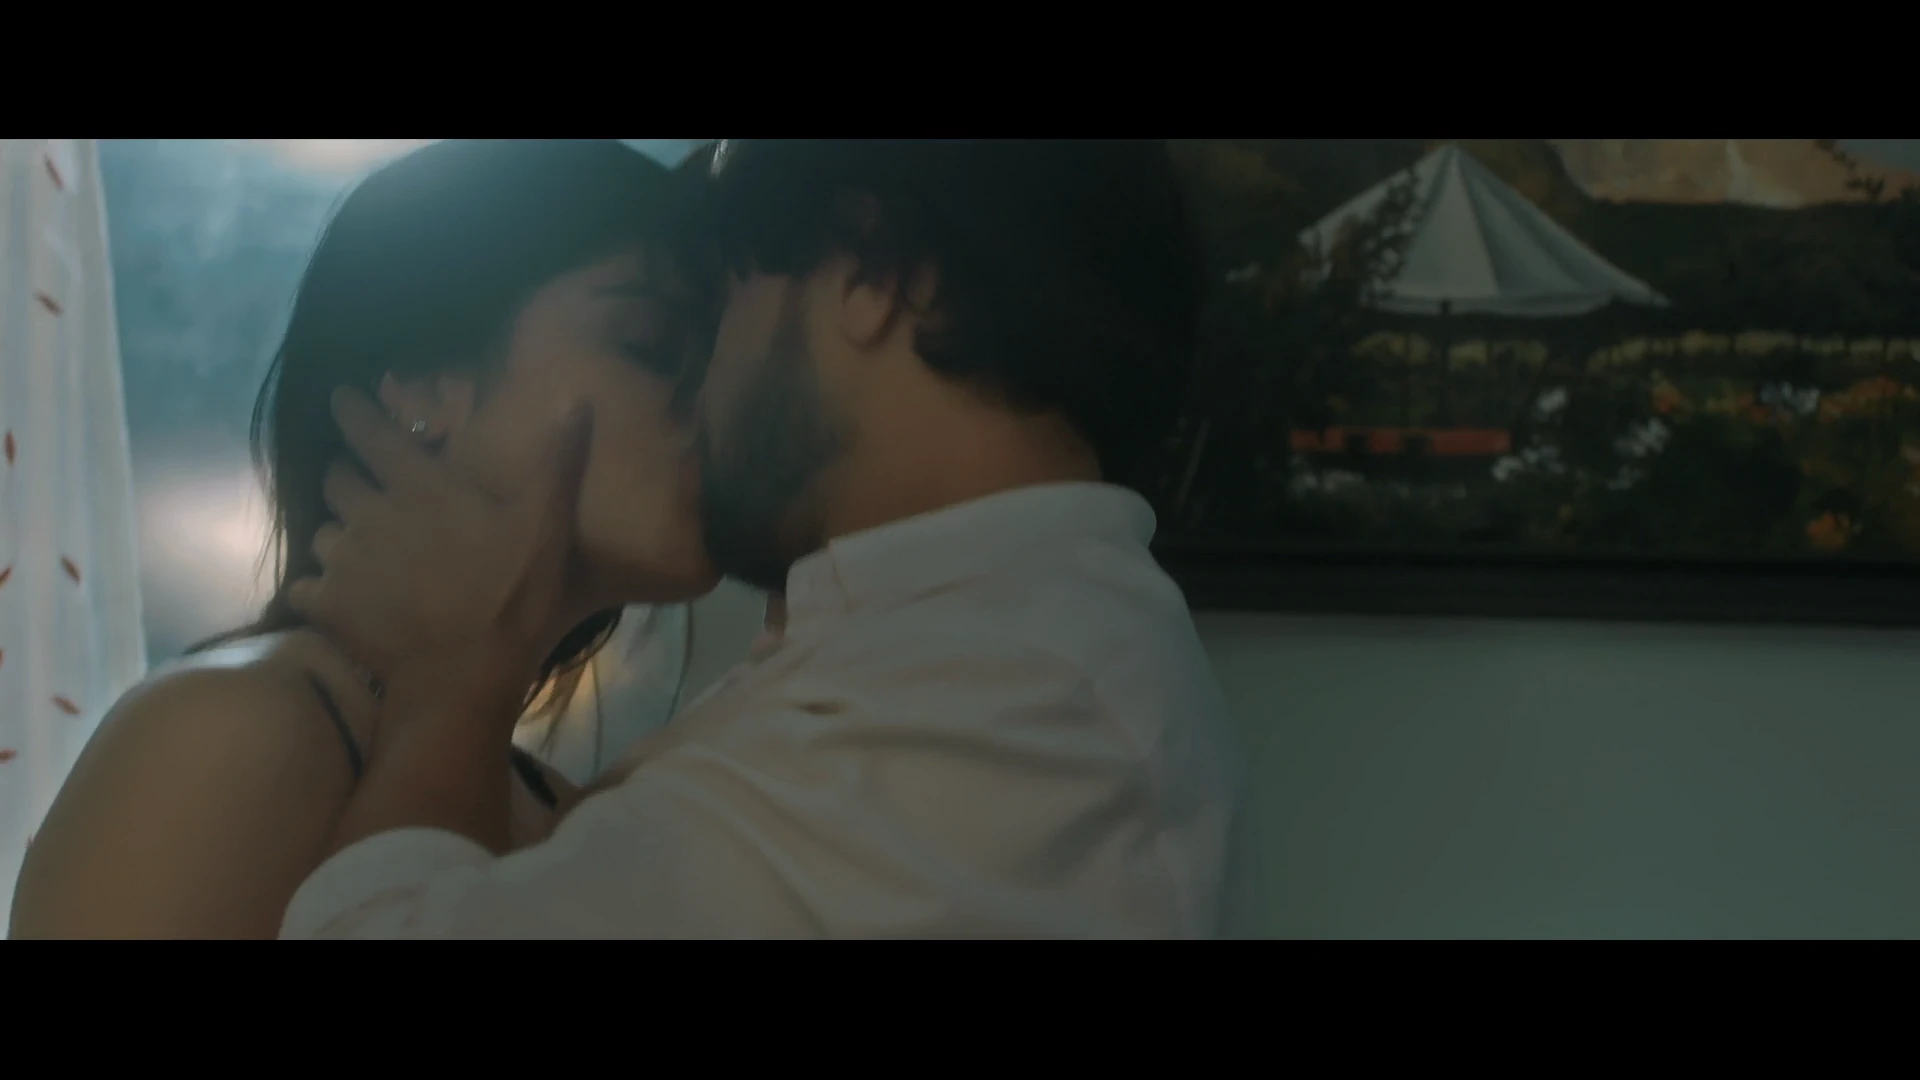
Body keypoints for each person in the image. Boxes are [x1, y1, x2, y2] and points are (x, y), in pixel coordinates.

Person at [277, 139, 1249, 939]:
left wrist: (451, 689)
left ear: (875, 272)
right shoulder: (938, 655)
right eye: (654, 344)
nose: (702, 390)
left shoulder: (1004, 698)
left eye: (726, 305)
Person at [8, 139, 719, 939]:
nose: (717, 402)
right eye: (651, 344)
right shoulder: (231, 732)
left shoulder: (567, 811)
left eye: (723, 358)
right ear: (421, 384)